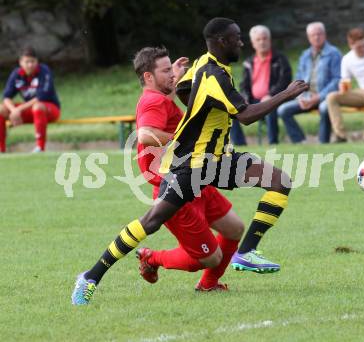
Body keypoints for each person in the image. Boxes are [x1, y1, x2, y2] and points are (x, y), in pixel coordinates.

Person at [72, 17, 308, 304]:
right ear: (221, 41)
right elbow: (245, 116)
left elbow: (184, 89)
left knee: (279, 181)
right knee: (152, 221)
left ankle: (245, 253)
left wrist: (198, 111)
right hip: (193, 166)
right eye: (236, 38)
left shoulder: (203, 65)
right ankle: (91, 276)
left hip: (218, 159)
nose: (241, 42)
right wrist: (287, 94)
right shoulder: (214, 77)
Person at [71, 46, 245, 305]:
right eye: (165, 71)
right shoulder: (153, 102)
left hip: (195, 177)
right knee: (210, 258)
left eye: (171, 69)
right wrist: (183, 139)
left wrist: (173, 78)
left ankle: (209, 285)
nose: (172, 75)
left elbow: (165, 111)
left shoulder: (161, 98)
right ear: (148, 77)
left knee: (235, 229)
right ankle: (151, 258)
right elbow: (144, 134)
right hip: (174, 188)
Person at [277, 22, 341, 144]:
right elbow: (299, 79)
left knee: (324, 108)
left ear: (325, 35)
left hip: (326, 97)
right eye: (313, 35)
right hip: (307, 98)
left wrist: (318, 97)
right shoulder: (305, 55)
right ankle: (300, 142)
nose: (316, 37)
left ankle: (323, 142)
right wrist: (301, 97)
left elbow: (337, 80)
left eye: (319, 34)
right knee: (283, 110)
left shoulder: (334, 53)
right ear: (308, 37)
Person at [231, 25, 292, 145]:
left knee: (269, 107)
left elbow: (285, 81)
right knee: (231, 111)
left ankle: (272, 143)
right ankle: (240, 145)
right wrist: (245, 98)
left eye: (265, 38)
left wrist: (271, 95)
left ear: (269, 40)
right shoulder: (248, 62)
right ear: (253, 43)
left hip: (275, 98)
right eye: (258, 40)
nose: (262, 42)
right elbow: (244, 85)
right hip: (253, 100)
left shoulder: (280, 59)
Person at [0, 46, 61, 153]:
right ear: (20, 62)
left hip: (49, 109)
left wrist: (19, 110)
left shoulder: (44, 71)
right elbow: (6, 97)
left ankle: (40, 148)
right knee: (1, 109)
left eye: (32, 61)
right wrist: (14, 111)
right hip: (28, 110)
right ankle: (1, 149)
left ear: (37, 61)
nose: (30, 65)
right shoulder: (16, 74)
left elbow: (41, 97)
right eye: (27, 62)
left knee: (37, 106)